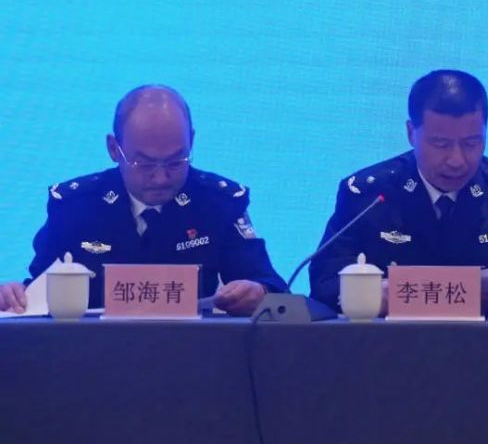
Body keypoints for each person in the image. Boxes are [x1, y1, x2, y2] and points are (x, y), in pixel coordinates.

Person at [309, 70, 488, 317]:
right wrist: (369, 295)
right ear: (411, 133)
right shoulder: (367, 195)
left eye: (471, 143)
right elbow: (324, 282)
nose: (457, 160)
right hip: (389, 350)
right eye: (440, 144)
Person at [0, 85, 287, 316]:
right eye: (145, 164)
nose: (161, 177)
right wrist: (13, 296)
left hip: (194, 356)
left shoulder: (219, 204)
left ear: (192, 141)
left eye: (176, 161)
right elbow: (38, 292)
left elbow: (272, 289)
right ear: (114, 149)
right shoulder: (75, 207)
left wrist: (258, 292)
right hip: (92, 357)